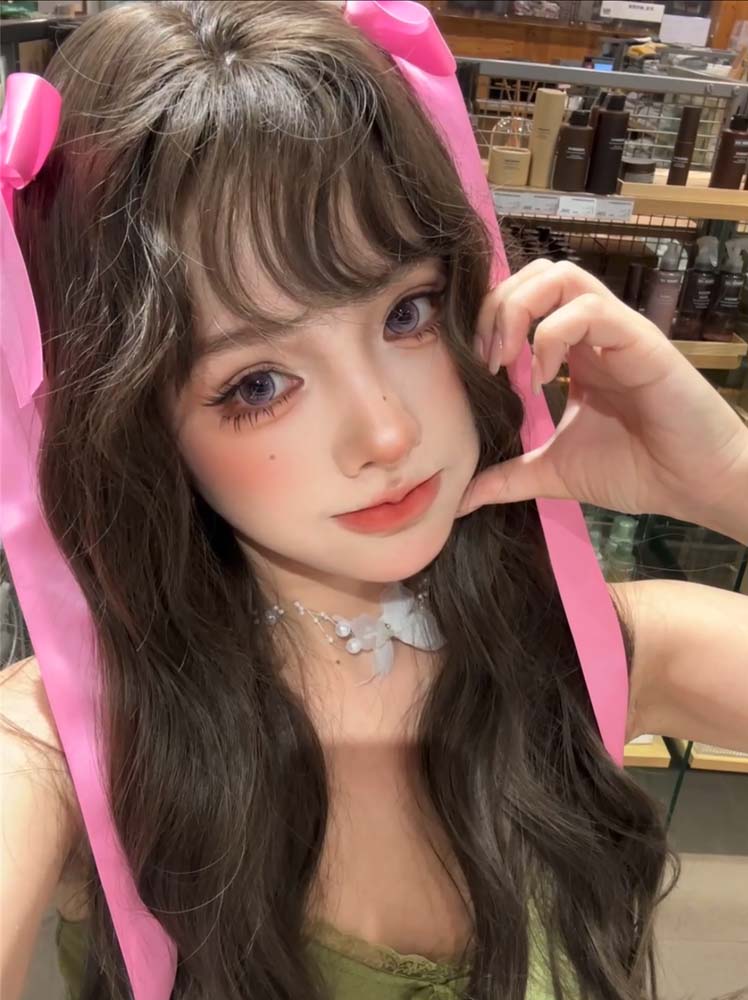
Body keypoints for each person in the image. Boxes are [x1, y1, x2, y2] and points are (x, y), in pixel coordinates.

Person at [1, 2, 747, 999]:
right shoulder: (71, 739)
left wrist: (728, 474)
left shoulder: (582, 645)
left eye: (407, 312)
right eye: (257, 383)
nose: (387, 434)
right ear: (138, 421)